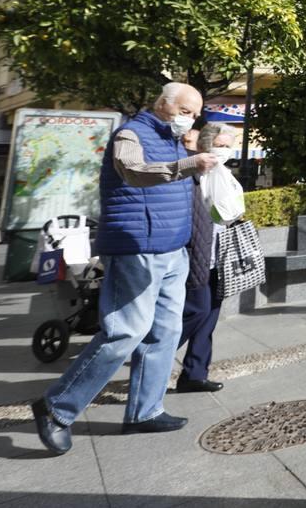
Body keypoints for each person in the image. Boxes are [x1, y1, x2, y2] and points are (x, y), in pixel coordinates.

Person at [31, 83, 218, 455]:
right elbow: (133, 171)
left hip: (171, 250)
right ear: (163, 104)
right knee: (124, 332)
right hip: (137, 248)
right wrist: (187, 164)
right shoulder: (131, 133)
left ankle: (145, 411)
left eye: (195, 114)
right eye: (186, 111)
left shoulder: (172, 140)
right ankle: (57, 408)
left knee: (165, 331)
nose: (190, 119)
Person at [175, 122, 240, 393]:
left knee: (210, 316)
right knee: (197, 310)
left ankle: (195, 373)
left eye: (228, 146)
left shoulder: (222, 174)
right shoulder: (191, 174)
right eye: (219, 145)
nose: (223, 151)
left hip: (219, 255)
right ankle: (150, 353)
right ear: (204, 146)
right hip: (196, 256)